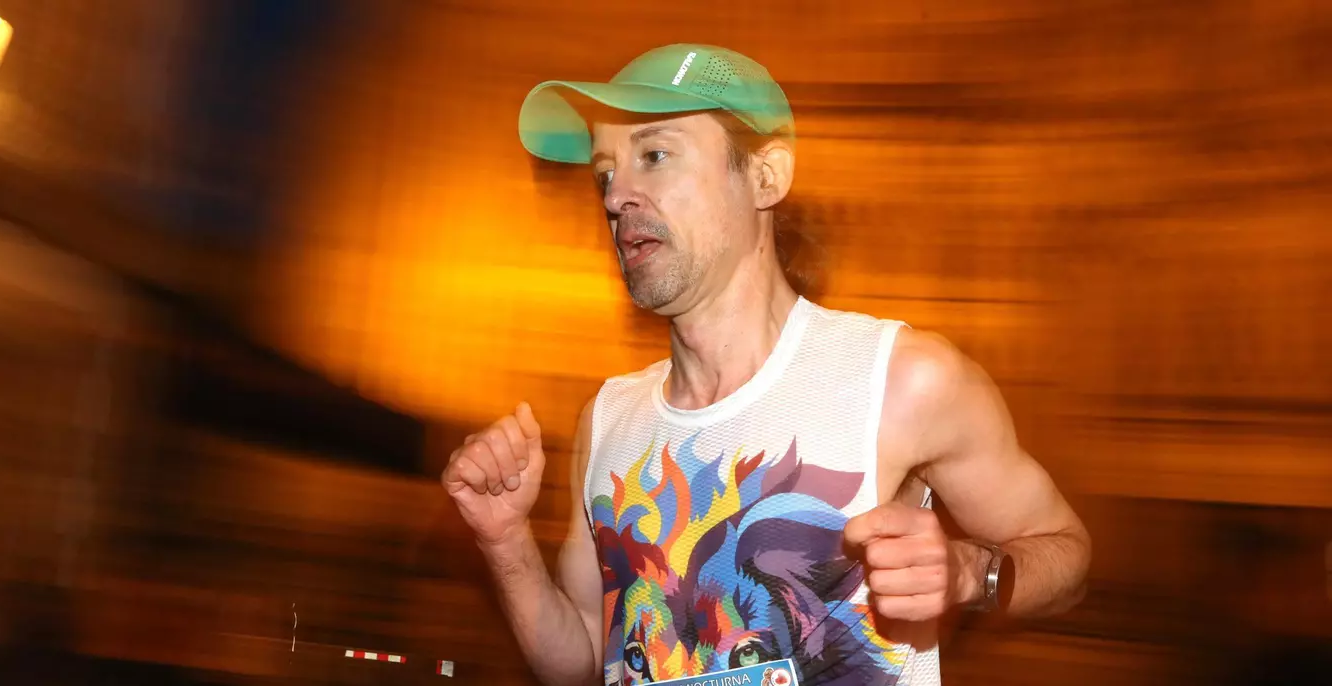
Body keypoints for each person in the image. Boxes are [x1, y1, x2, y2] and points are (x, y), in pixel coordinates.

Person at [442, 44, 1090, 686]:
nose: (616, 197)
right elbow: (584, 656)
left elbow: (1067, 556)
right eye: (604, 172)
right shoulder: (607, 420)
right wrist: (505, 542)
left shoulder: (900, 381)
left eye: (654, 156)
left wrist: (974, 573)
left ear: (765, 177)